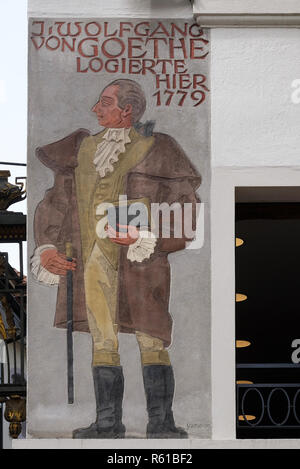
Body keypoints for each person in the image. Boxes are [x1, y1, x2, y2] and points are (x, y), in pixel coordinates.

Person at [31, 79, 201, 439]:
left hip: (143, 263)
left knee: (150, 336)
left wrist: (144, 235)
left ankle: (161, 423)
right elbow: (55, 203)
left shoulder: (160, 149)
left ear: (128, 110)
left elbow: (188, 210)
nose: (96, 109)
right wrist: (46, 249)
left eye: (105, 102)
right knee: (102, 338)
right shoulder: (80, 150)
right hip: (91, 258)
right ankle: (108, 423)